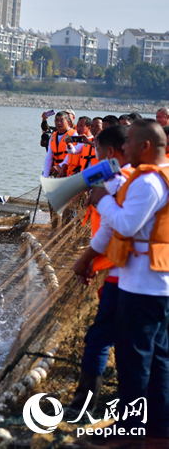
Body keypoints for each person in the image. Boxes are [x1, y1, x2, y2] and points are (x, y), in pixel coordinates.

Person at [89, 119, 169, 440]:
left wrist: (101, 200)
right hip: (156, 282)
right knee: (159, 357)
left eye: (130, 142)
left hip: (141, 285)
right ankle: (158, 426)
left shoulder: (148, 183)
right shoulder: (157, 176)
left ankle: (130, 429)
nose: (124, 148)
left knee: (132, 360)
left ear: (145, 146)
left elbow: (125, 224)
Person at [70, 125, 131, 414]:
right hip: (134, 271)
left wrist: (86, 259)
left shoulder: (125, 180)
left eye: (98, 152)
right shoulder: (148, 176)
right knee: (142, 344)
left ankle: (85, 407)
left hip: (129, 272)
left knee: (101, 338)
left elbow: (114, 227)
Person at [43, 111, 75, 178]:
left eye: (62, 120)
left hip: (70, 173)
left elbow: (74, 153)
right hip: (56, 173)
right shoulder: (53, 136)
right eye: (57, 121)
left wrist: (60, 165)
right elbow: (49, 157)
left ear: (68, 122)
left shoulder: (74, 134)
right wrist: (45, 175)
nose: (59, 123)